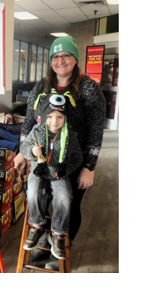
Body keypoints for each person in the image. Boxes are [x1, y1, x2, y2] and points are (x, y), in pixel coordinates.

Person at [14, 36, 106, 261]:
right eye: (55, 56)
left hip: (72, 159)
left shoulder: (88, 88)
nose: (61, 61)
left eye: (66, 55)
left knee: (68, 204)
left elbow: (96, 129)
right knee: (40, 199)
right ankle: (45, 240)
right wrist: (22, 151)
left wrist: (89, 166)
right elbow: (29, 121)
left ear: (75, 58)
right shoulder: (41, 86)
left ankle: (62, 247)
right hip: (41, 158)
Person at [20, 93, 82, 260]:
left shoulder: (70, 135)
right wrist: (32, 151)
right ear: (42, 117)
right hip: (38, 171)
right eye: (50, 117)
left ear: (65, 118)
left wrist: (66, 170)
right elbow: (24, 148)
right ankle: (36, 226)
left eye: (59, 117)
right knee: (33, 192)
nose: (55, 121)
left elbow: (77, 158)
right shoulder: (36, 131)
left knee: (64, 196)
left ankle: (58, 234)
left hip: (58, 174)